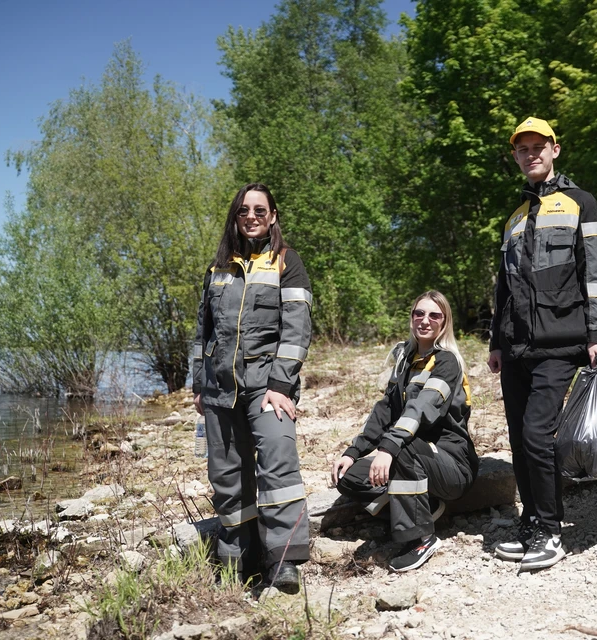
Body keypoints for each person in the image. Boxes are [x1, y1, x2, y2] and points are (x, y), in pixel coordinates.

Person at [487, 117, 597, 571]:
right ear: (516, 156)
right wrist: (496, 342)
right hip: (517, 345)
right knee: (521, 438)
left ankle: (551, 529)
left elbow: (596, 274)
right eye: (522, 149)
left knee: (539, 434)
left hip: (561, 340)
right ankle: (531, 519)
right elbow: (503, 286)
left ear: (555, 149)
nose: (531, 154)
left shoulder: (581, 203)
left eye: (538, 146)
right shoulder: (514, 218)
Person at [191, 183, 313, 593]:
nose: (252, 216)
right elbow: (202, 333)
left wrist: (281, 384)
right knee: (227, 475)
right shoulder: (217, 269)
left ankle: (283, 561)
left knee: (278, 463)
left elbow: (297, 329)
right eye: (244, 210)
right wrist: (198, 386)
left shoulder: (286, 262)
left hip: (267, 387)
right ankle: (236, 560)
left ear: (273, 215)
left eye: (260, 210)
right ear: (236, 216)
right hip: (219, 388)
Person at [332, 291, 478, 572]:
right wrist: (352, 453)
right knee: (347, 477)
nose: (425, 320)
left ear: (444, 322)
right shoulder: (406, 360)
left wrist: (387, 449)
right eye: (418, 314)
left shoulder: (447, 362)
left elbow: (421, 408)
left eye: (434, 315)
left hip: (452, 464)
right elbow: (384, 411)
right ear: (411, 318)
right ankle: (426, 508)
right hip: (415, 457)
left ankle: (421, 538)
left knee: (404, 445)